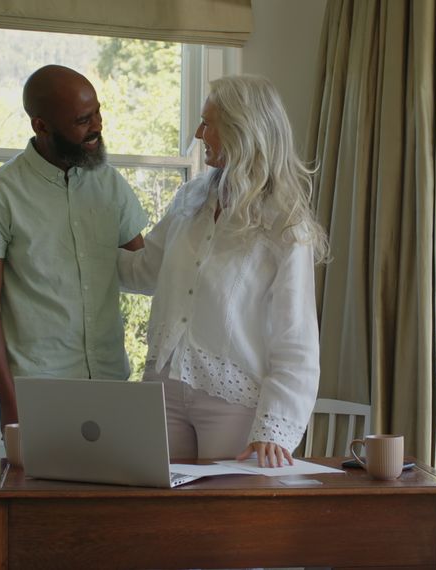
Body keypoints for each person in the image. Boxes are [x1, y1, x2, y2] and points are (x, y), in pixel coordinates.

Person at [118, 75, 328, 468]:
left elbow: (296, 336)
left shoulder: (284, 224)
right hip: (163, 389)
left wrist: (274, 427)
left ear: (241, 130)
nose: (199, 134)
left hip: (233, 403)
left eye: (207, 123)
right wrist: (81, 249)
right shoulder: (190, 200)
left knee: (224, 507)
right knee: (156, 504)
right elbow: (145, 271)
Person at [0, 65, 148, 433]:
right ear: (41, 126)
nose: (97, 126)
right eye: (83, 120)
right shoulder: (0, 195)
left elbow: (145, 270)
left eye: (98, 112)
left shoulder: (111, 185)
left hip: (110, 383)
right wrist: (9, 401)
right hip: (38, 392)